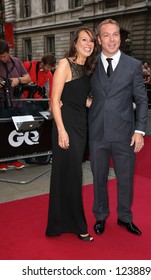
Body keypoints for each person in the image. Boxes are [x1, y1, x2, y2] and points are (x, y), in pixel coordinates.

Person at [88, 19, 148, 236]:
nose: (111, 39)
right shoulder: (91, 64)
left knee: (126, 179)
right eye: (106, 35)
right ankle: (101, 216)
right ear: (99, 39)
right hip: (97, 133)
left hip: (125, 134)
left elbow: (141, 100)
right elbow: (82, 91)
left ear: (121, 38)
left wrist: (140, 130)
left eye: (115, 34)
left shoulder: (133, 65)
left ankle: (125, 217)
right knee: (99, 178)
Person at [45, 27, 97, 242]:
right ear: (75, 43)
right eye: (83, 39)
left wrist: (88, 102)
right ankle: (77, 225)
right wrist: (61, 130)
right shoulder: (65, 64)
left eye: (91, 40)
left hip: (80, 126)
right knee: (71, 175)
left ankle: (61, 223)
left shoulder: (87, 69)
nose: (88, 43)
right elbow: (54, 100)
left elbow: (79, 98)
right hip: (66, 127)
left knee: (71, 174)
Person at [0, 39, 31, 171]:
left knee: (16, 131)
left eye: (4, 56)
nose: (2, 58)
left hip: (17, 103)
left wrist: (17, 80)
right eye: (0, 56)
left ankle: (14, 159)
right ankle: (2, 160)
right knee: (3, 132)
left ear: (9, 52)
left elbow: (28, 78)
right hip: (2, 103)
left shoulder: (17, 62)